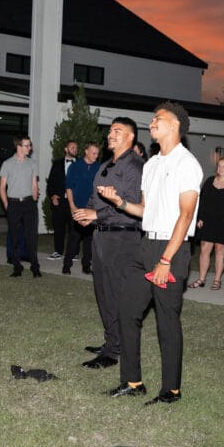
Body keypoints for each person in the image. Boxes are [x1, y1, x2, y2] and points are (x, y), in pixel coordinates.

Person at [97, 101, 202, 404]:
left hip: (172, 248)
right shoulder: (152, 164)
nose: (153, 122)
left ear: (175, 126)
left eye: (160, 118)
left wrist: (166, 260)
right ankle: (132, 382)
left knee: (166, 320)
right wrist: (119, 202)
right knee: (128, 311)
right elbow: (144, 210)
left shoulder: (187, 164)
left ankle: (171, 390)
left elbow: (185, 216)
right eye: (153, 118)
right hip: (146, 245)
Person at [72, 119, 144, 370]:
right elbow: (96, 198)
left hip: (122, 238)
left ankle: (114, 352)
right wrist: (87, 212)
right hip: (101, 237)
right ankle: (110, 341)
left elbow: (133, 206)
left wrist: (97, 215)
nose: (111, 135)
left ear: (130, 137)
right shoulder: (105, 165)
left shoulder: (135, 166)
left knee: (117, 296)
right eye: (110, 131)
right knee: (103, 294)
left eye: (117, 131)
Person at [189, 156, 224, 290]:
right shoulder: (210, 181)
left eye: (223, 166)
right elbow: (202, 201)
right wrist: (200, 217)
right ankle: (201, 279)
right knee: (204, 249)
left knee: (220, 250)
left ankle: (217, 280)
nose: (220, 169)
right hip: (208, 221)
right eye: (219, 166)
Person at [0, 134, 41, 278]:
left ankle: (35, 267)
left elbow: (35, 184)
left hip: (29, 204)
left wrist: (34, 199)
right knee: (15, 237)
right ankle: (17, 266)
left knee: (31, 237)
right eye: (27, 145)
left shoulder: (32, 163)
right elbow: (2, 187)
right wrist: (6, 205)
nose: (30, 148)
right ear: (19, 147)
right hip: (14, 204)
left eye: (30, 145)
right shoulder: (7, 164)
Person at [63, 142, 101, 275]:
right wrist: (72, 205)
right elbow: (68, 187)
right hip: (77, 207)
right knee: (74, 237)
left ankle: (86, 265)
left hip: (91, 209)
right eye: (93, 153)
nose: (96, 156)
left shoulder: (98, 167)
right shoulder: (75, 166)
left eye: (97, 153)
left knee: (89, 239)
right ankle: (66, 265)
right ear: (86, 151)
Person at [45, 140, 78, 260]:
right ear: (66, 149)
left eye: (76, 148)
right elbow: (51, 183)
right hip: (59, 202)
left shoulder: (80, 164)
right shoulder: (57, 164)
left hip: (74, 202)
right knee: (59, 227)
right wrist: (52, 196)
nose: (75, 149)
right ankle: (58, 251)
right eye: (72, 147)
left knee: (74, 228)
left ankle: (73, 253)